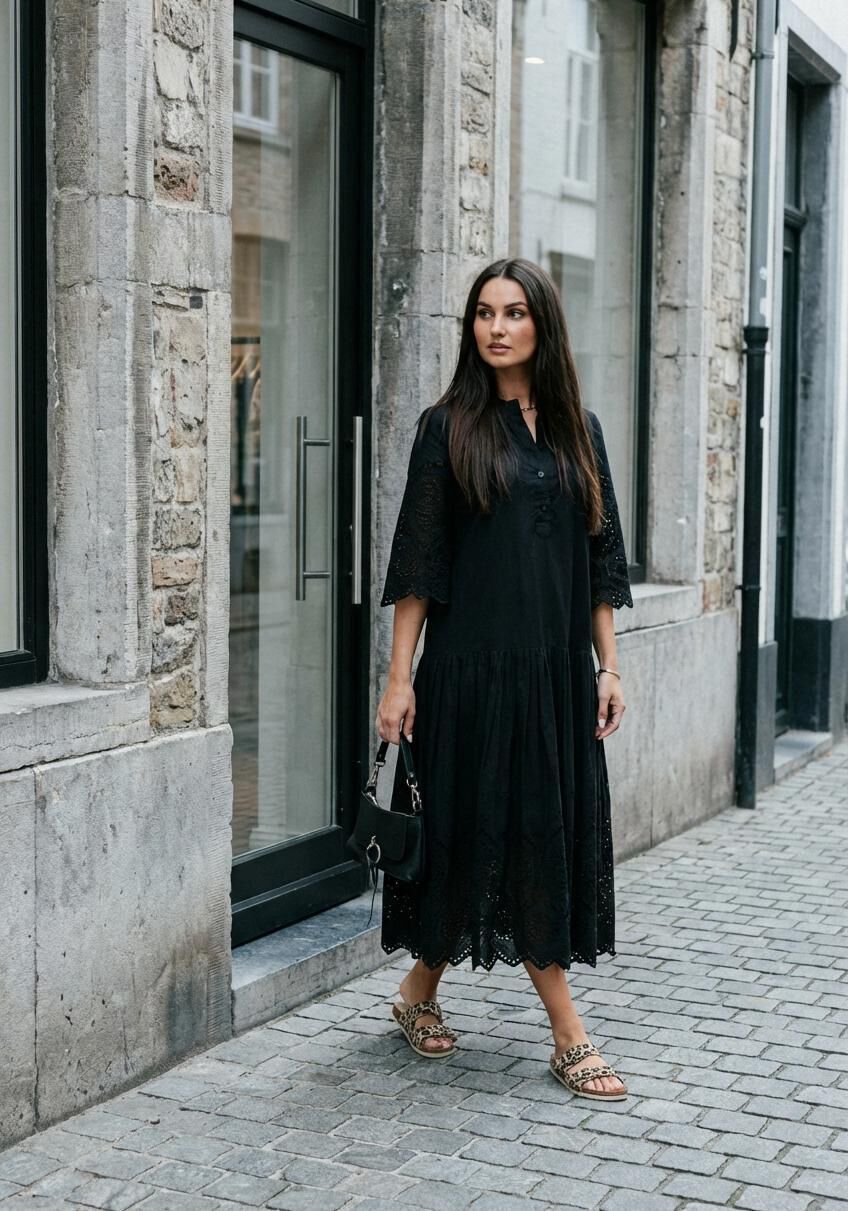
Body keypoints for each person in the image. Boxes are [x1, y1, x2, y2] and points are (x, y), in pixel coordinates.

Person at [375, 257, 633, 1100]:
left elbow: (601, 562)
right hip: (470, 676)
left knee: (518, 835)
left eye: (514, 312)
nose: (496, 327)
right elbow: (418, 565)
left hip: (555, 679)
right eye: (484, 313)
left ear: (542, 324)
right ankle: (570, 1035)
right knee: (481, 835)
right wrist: (399, 679)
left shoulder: (579, 431)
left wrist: (609, 666)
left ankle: (417, 991)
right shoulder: (445, 428)